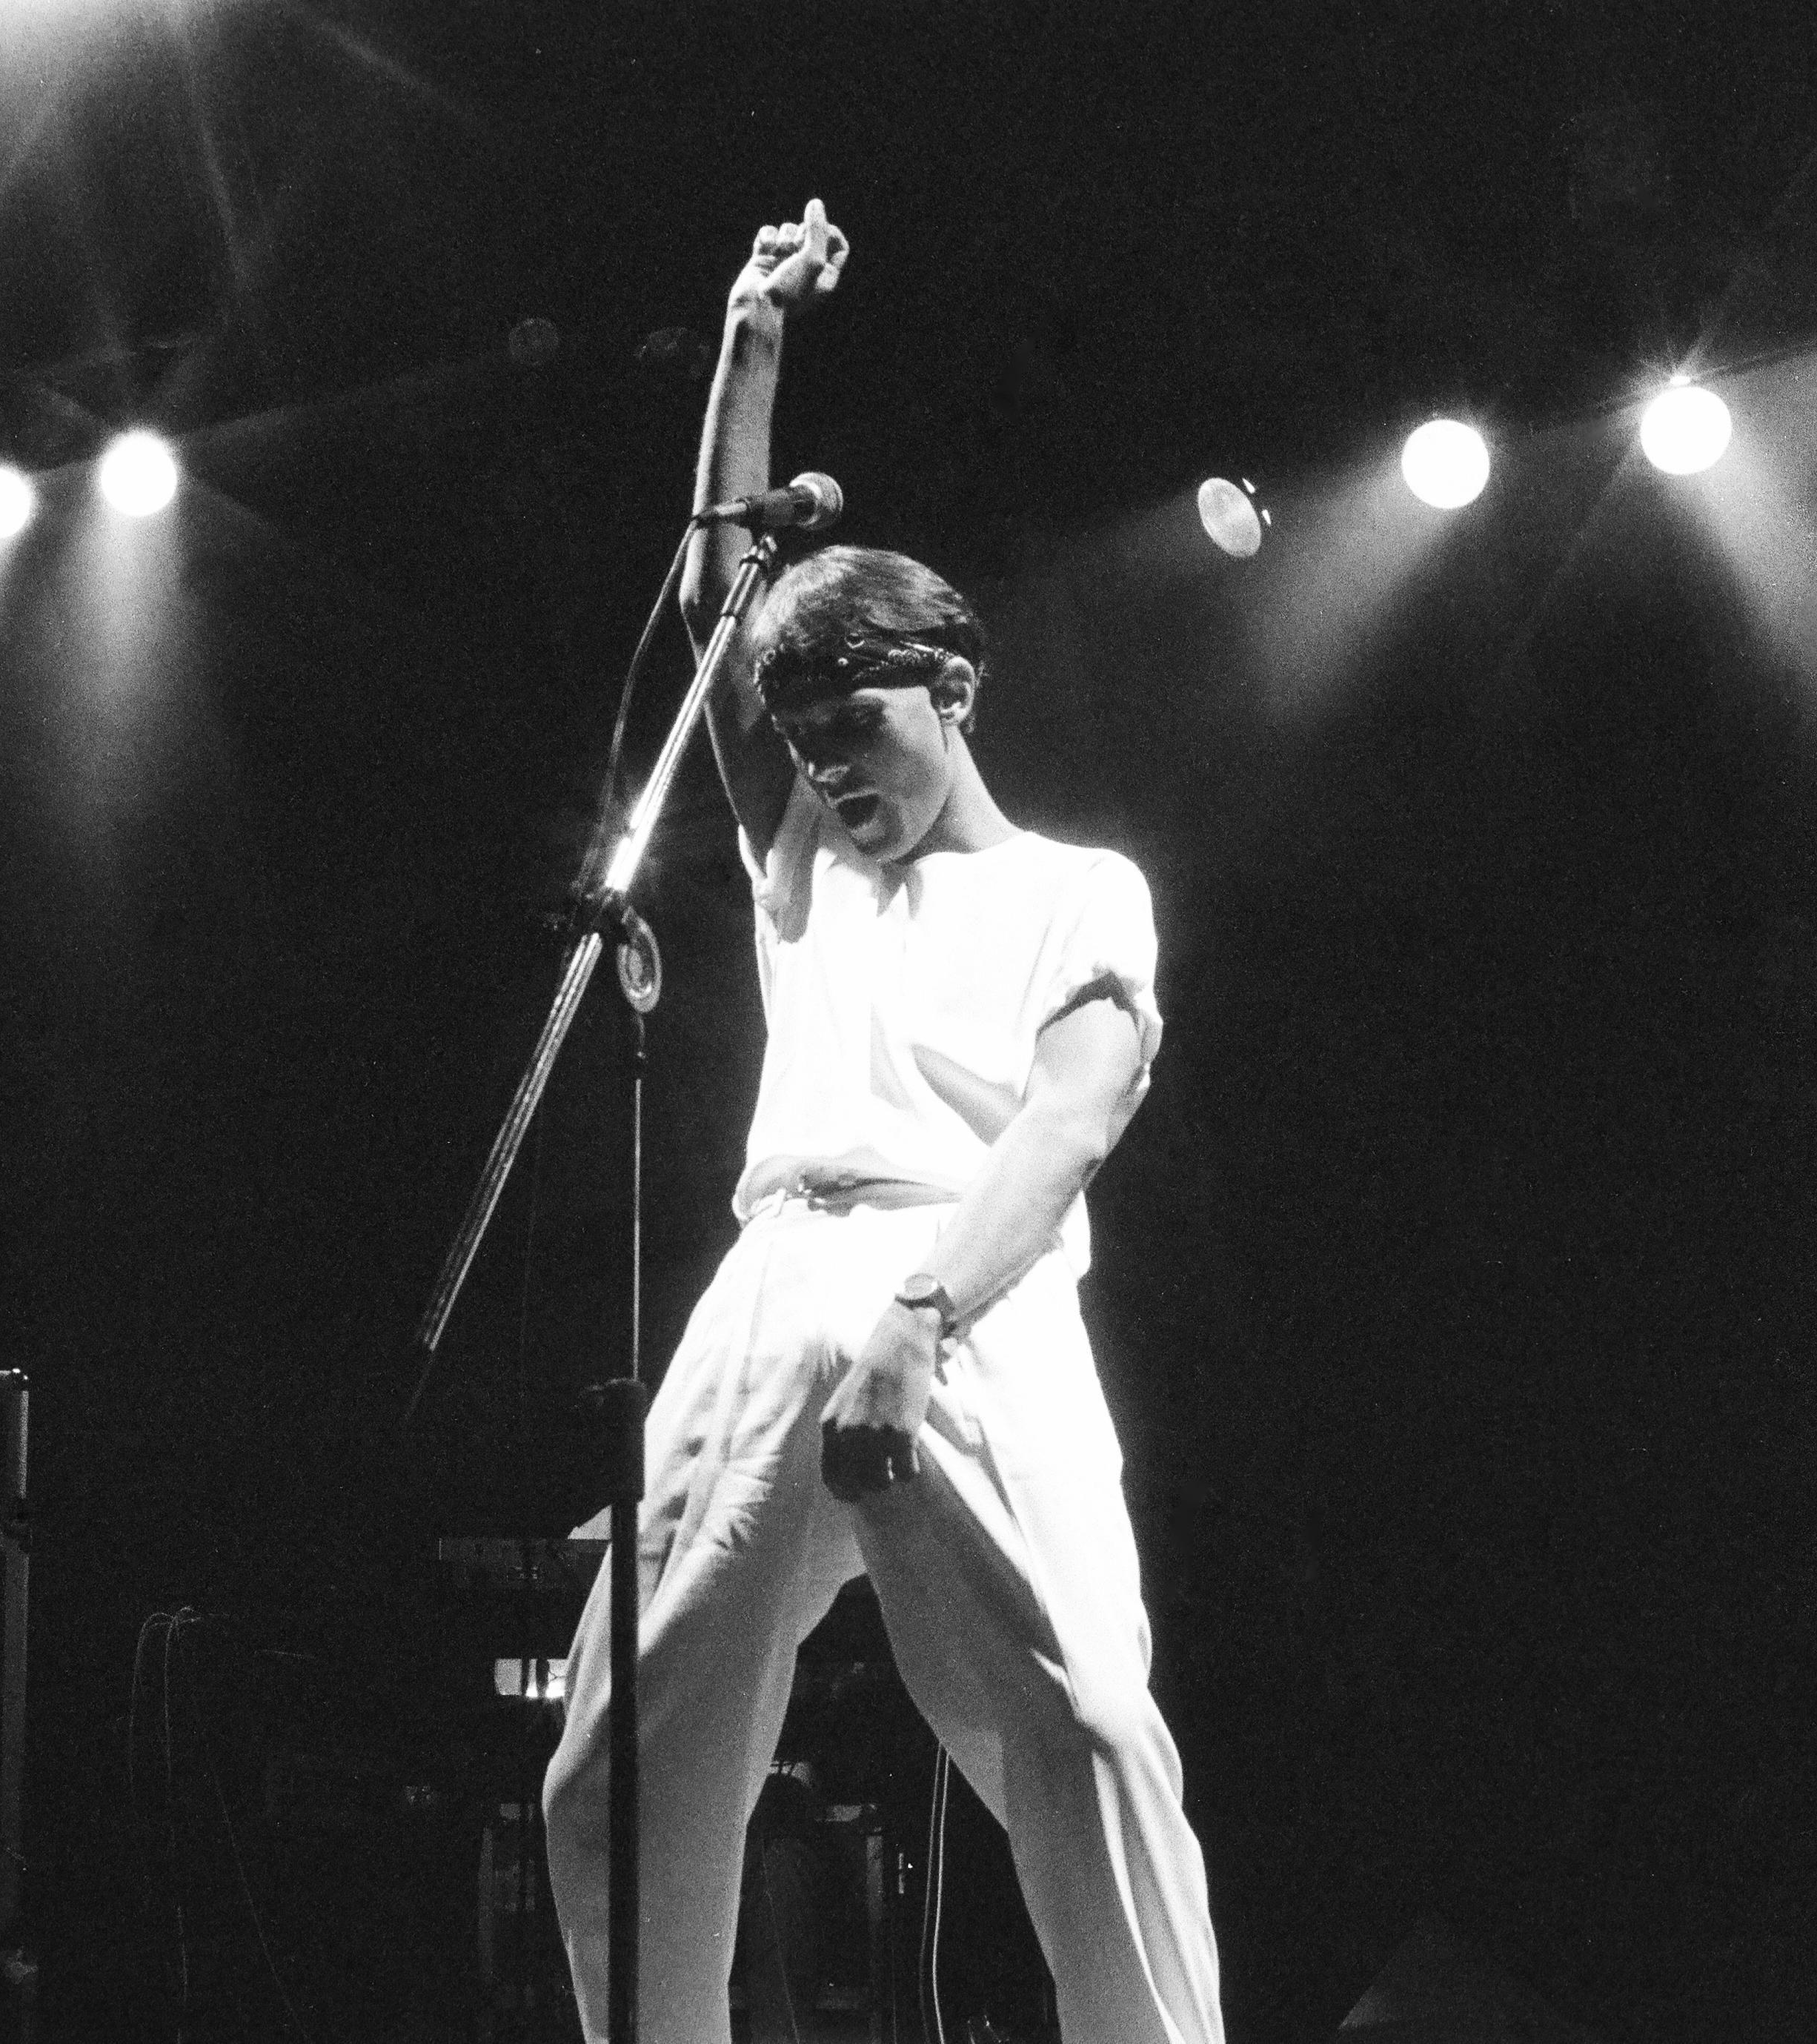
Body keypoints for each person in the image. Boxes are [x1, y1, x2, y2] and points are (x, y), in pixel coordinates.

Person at [537, 203, 1225, 2044]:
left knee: (1081, 1726)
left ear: (956, 689)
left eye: (857, 718)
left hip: (973, 1290)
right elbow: (712, 611)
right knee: (617, 1767)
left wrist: (919, 1323)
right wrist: (750, 335)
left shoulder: (1086, 888)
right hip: (776, 1281)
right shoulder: (802, 865)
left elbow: (1069, 1124)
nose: (829, 760)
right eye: (802, 731)